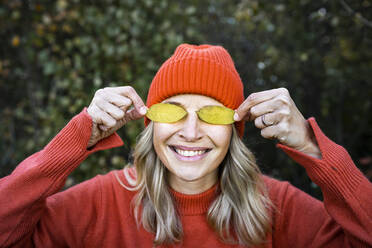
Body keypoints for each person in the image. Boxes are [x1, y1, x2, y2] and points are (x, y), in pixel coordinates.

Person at [0, 44, 371, 248]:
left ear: (234, 128)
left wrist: (311, 147)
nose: (191, 131)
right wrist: (76, 139)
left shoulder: (277, 208)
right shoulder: (100, 202)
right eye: (172, 112)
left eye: (212, 114)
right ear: (150, 122)